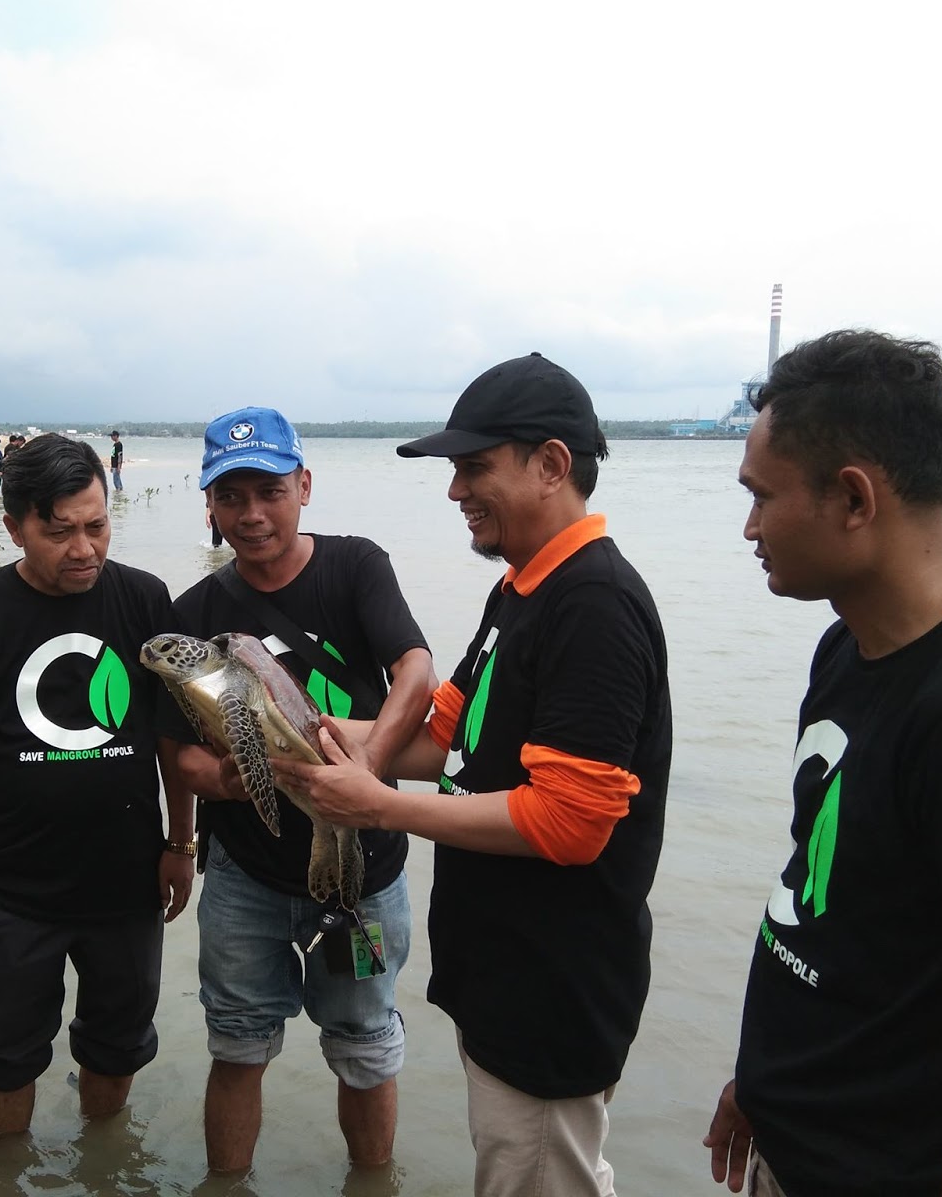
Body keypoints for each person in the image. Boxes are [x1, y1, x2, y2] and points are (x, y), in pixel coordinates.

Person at [274, 354, 672, 1197]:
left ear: (552, 465)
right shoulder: (523, 588)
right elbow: (442, 737)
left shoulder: (594, 603)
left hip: (554, 980)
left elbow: (571, 824)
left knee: (535, 1177)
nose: (455, 491)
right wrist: (299, 728)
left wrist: (379, 808)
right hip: (502, 968)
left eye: (474, 466)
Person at [702, 330, 942, 1197]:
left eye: (761, 497)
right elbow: (827, 909)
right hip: (796, 1140)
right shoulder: (848, 651)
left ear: (854, 499)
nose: (750, 527)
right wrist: (767, 1083)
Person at [163, 406, 437, 1173]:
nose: (252, 515)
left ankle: (372, 1183)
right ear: (210, 504)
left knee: (366, 1045)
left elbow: (416, 670)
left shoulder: (356, 567)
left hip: (362, 870)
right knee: (237, 1044)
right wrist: (227, 778)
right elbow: (176, 755)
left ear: (305, 486)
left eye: (271, 492)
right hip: (245, 876)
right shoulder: (196, 616)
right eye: (232, 496)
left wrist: (370, 766)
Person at [0, 433, 195, 1138]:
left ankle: (101, 1162)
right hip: (13, 882)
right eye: (59, 532)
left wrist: (180, 843)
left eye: (96, 525)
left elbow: (170, 733)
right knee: (2, 1054)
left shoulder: (143, 598)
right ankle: (4, 1172)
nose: (84, 549)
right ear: (14, 528)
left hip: (127, 878)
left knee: (119, 1041)